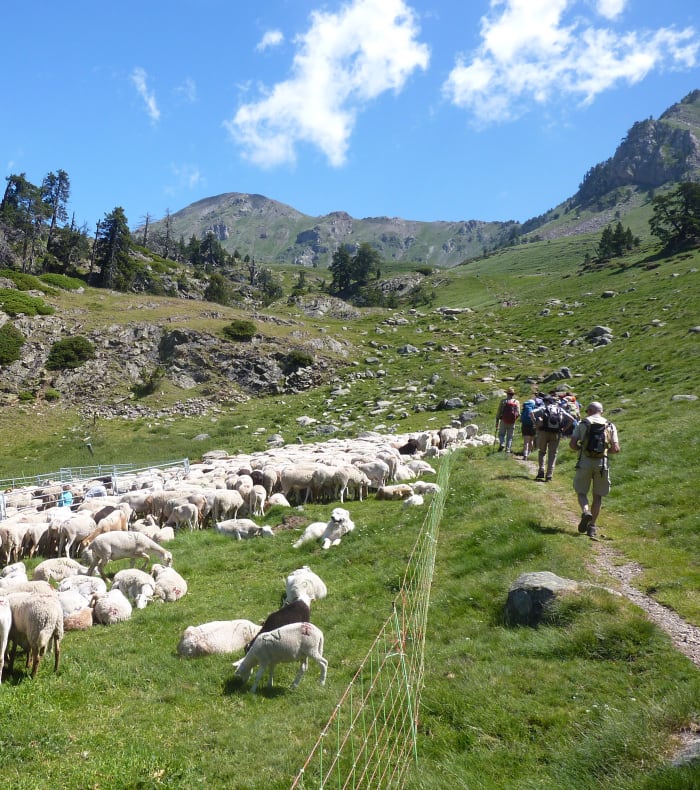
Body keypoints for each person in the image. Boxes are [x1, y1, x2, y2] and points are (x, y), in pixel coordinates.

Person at [569, 401, 620, 539]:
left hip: (584, 462)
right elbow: (616, 449)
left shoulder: (582, 424)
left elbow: (572, 445)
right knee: (597, 496)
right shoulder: (610, 425)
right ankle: (592, 527)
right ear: (601, 411)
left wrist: (582, 449)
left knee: (581, 492)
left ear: (590, 410)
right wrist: (604, 451)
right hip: (601, 464)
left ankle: (585, 511)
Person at [530, 395, 573, 481]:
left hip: (543, 432)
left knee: (542, 452)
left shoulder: (543, 408)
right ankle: (549, 475)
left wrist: (536, 424)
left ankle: (541, 469)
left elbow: (531, 413)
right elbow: (571, 419)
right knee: (552, 454)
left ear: (546, 401)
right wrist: (564, 429)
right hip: (556, 433)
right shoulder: (559, 409)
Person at [495, 387, 520, 453]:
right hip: (512, 422)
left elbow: (498, 412)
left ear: (507, 394)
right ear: (513, 394)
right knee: (510, 437)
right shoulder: (516, 402)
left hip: (503, 420)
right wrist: (514, 419)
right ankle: (508, 450)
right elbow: (518, 413)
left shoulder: (503, 401)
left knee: (501, 434)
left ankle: (502, 443)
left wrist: (497, 421)